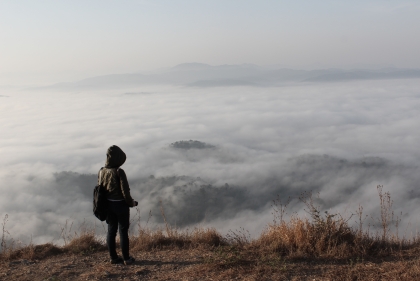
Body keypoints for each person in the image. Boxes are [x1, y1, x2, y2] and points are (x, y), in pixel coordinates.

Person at [98, 145, 138, 265]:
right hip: (120, 206)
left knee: (111, 231)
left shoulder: (101, 171)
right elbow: (125, 192)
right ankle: (126, 258)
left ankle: (113, 258)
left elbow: (100, 189)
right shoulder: (119, 171)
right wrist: (132, 203)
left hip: (108, 205)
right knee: (123, 231)